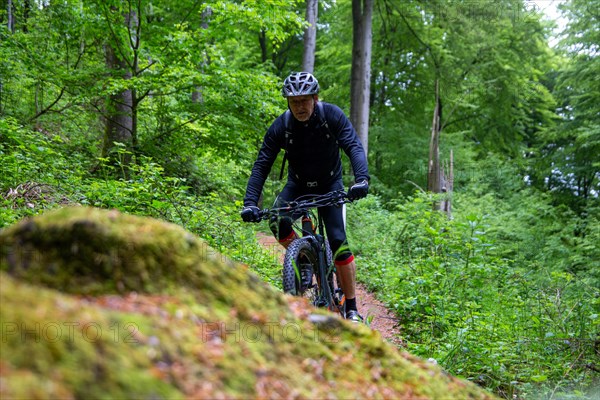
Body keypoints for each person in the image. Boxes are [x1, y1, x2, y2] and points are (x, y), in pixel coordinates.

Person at [240, 71, 369, 322]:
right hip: (297, 185)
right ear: (288, 102)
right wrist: (249, 202)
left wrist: (361, 179)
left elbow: (353, 145)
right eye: (294, 101)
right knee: (278, 222)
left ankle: (352, 308)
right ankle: (304, 256)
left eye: (305, 100)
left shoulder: (331, 115)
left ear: (315, 98)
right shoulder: (282, 125)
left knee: (338, 241)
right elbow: (261, 165)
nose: (300, 106)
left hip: (330, 183)